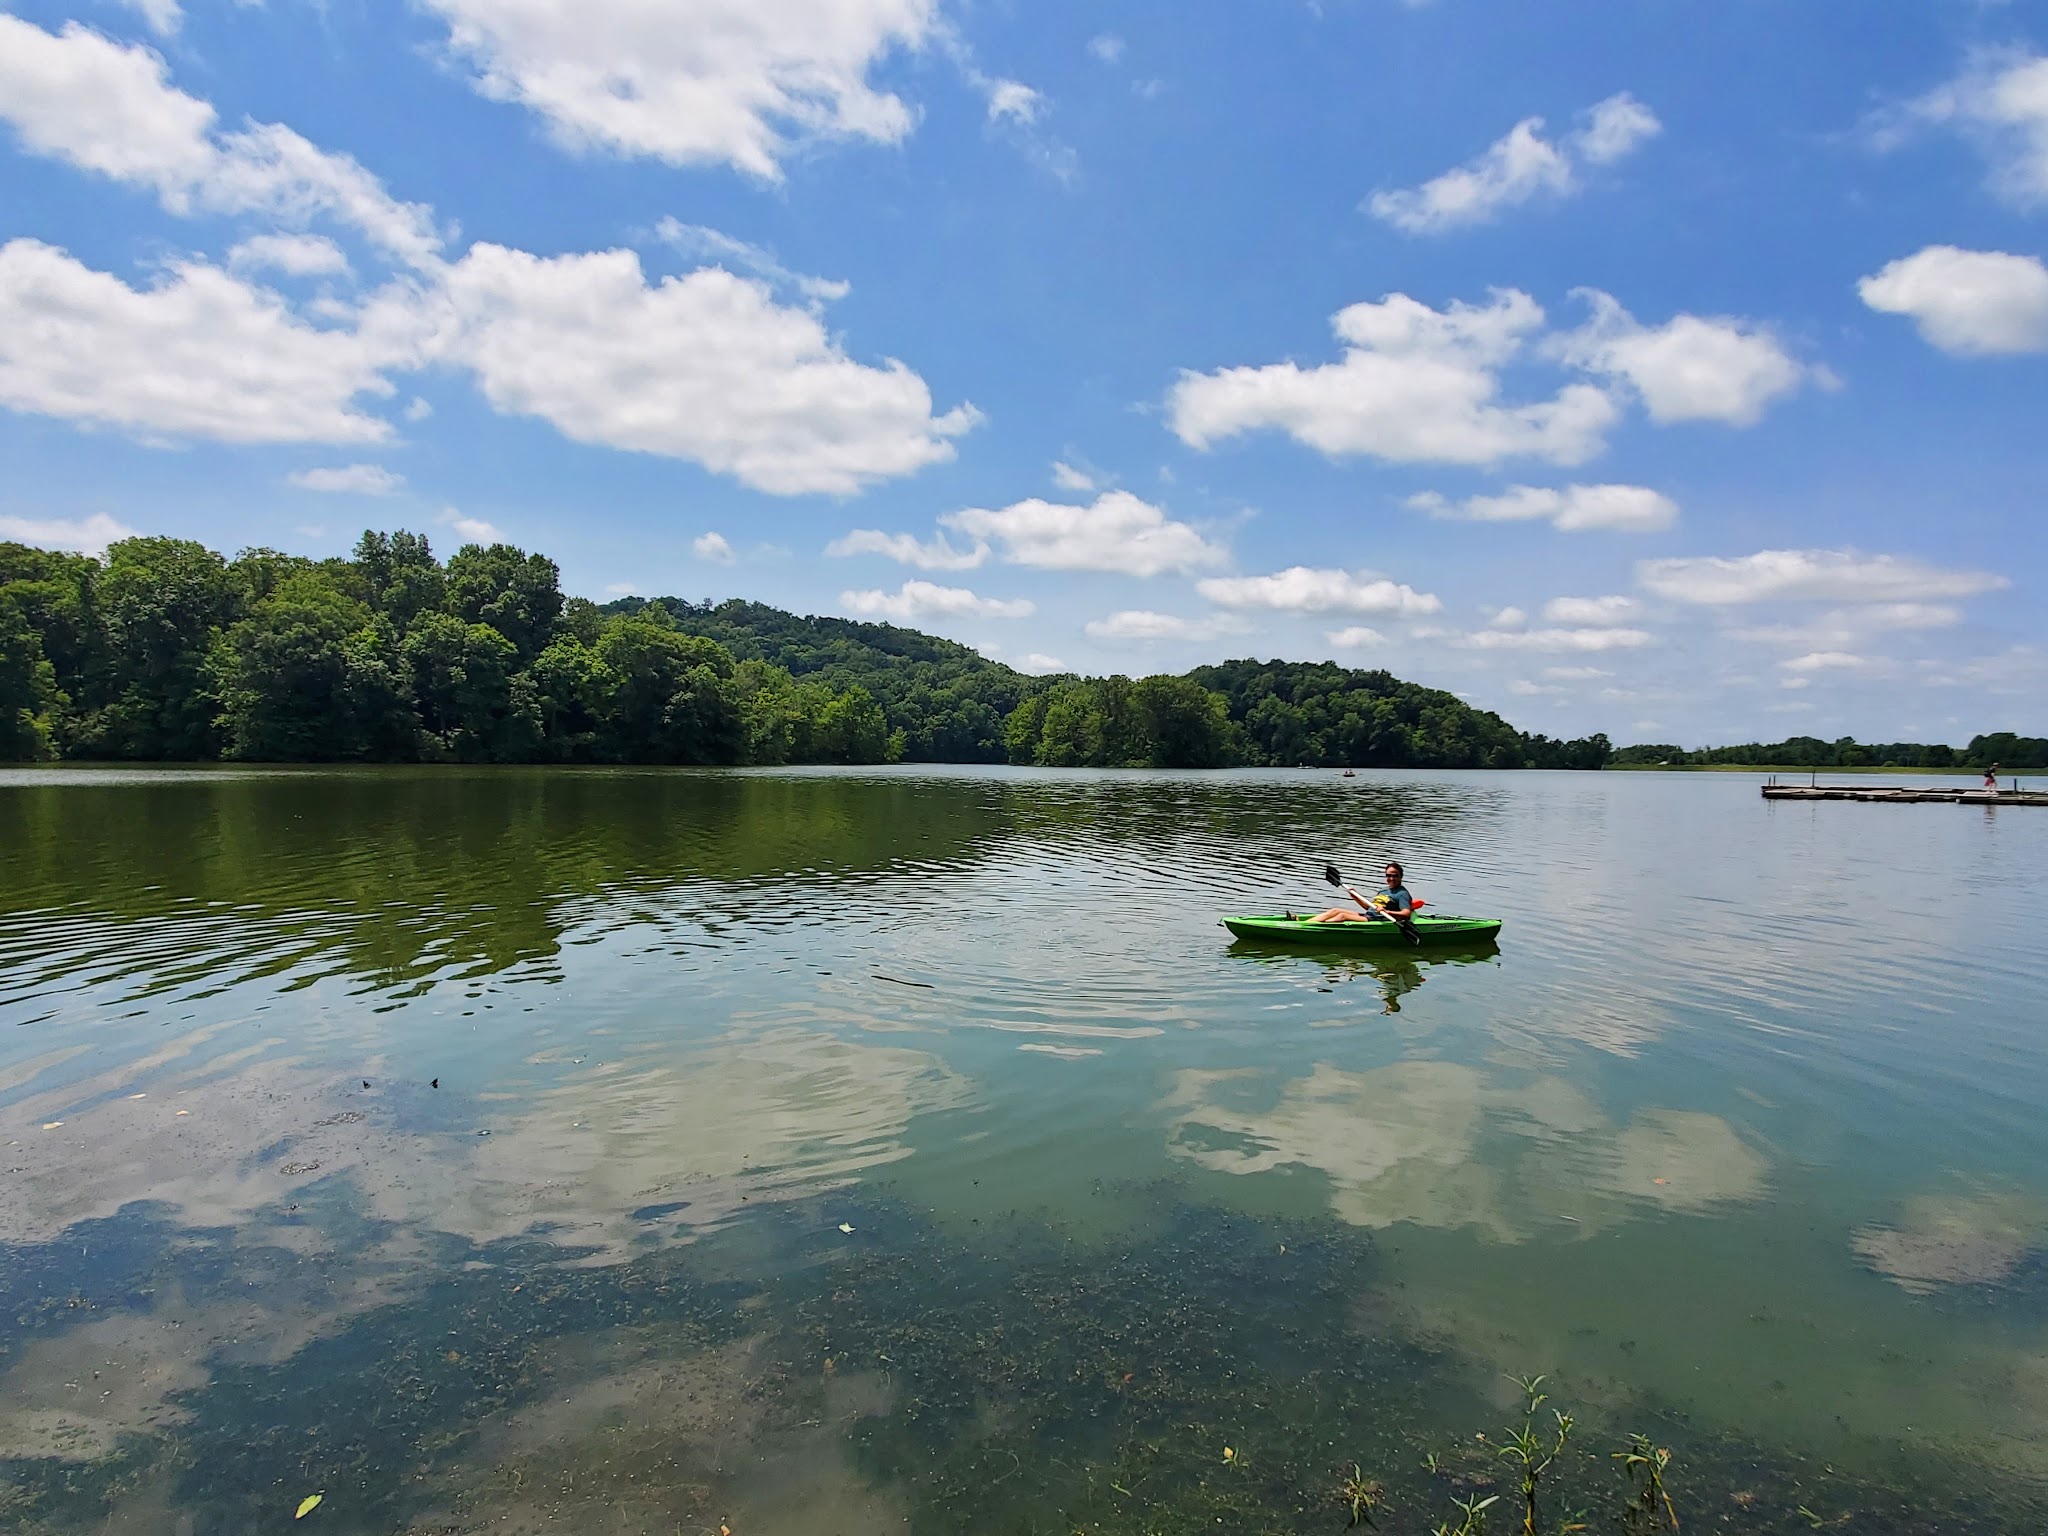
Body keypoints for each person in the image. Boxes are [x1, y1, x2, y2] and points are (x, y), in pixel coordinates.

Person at [1307, 862, 1415, 925]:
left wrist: (1387, 911)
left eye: (1395, 875)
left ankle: (1318, 927)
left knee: (1342, 915)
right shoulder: (1384, 891)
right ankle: (1306, 924)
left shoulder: (1402, 893)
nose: (1391, 878)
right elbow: (1368, 908)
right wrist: (1355, 896)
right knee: (1335, 910)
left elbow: (1406, 913)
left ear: (1401, 876)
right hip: (1369, 915)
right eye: (1388, 876)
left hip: (1376, 920)